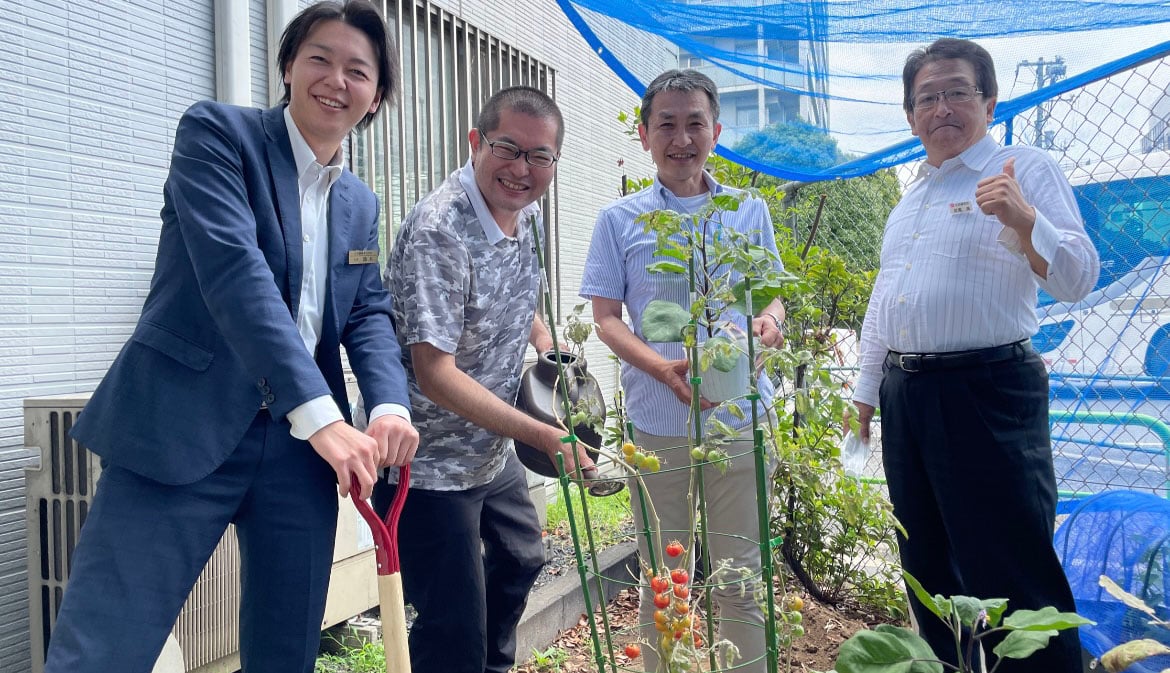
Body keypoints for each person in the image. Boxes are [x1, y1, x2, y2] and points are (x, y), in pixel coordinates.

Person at [44, 3, 418, 672]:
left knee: (286, 652)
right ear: (287, 67)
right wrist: (323, 414)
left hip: (299, 455)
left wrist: (389, 404)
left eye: (358, 70)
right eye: (320, 59)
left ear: (377, 95)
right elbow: (234, 274)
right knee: (104, 649)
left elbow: (366, 311)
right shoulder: (217, 135)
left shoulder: (359, 202)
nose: (336, 80)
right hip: (179, 422)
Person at [851, 38, 1099, 672]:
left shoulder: (1022, 167)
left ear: (988, 101)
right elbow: (887, 298)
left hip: (988, 389)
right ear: (910, 116)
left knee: (1012, 567)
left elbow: (1077, 278)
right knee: (928, 565)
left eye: (957, 91)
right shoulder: (911, 199)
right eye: (927, 97)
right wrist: (864, 391)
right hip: (906, 396)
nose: (942, 107)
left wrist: (1024, 220)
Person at [372, 86, 591, 673]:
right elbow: (434, 373)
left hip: (489, 453)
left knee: (521, 558)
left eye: (540, 157)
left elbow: (518, 299)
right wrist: (543, 435)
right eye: (508, 149)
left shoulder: (528, 214)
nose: (522, 170)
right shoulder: (439, 232)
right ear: (476, 142)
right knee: (452, 631)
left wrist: (548, 343)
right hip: (428, 464)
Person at [580, 69, 785, 673]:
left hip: (740, 418)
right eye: (666, 124)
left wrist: (768, 324)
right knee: (664, 577)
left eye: (694, 122)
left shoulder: (748, 211)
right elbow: (607, 318)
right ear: (644, 134)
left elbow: (770, 299)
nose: (681, 138)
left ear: (716, 132)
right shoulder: (620, 219)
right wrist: (664, 368)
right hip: (658, 419)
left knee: (740, 575)